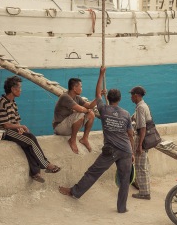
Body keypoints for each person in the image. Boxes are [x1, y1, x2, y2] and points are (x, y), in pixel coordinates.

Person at [58, 67, 134, 213]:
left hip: (111, 150)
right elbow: (130, 135)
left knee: (93, 172)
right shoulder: (126, 114)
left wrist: (101, 74)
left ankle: (75, 192)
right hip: (125, 150)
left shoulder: (104, 109)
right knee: (125, 181)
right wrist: (132, 153)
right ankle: (122, 208)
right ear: (119, 99)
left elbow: (97, 94)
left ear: (109, 98)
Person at [0, 76, 61, 183]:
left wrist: (19, 128)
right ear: (13, 89)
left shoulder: (13, 103)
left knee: (27, 144)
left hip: (12, 131)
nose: (21, 90)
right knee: (30, 139)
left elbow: (16, 122)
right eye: (19, 88)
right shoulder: (2, 102)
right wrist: (21, 126)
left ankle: (35, 173)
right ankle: (46, 164)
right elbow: (5, 125)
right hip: (4, 133)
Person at [52, 78, 96, 154]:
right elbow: (81, 109)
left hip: (69, 126)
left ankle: (85, 138)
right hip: (60, 127)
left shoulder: (77, 98)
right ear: (74, 88)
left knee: (91, 114)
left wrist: (98, 97)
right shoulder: (65, 97)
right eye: (80, 86)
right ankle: (72, 140)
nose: (82, 89)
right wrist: (87, 110)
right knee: (80, 114)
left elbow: (89, 105)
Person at [130, 86, 151, 200]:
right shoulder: (143, 105)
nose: (131, 97)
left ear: (136, 95)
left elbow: (142, 127)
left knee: (140, 166)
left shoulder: (140, 108)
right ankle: (145, 189)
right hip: (144, 138)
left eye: (132, 95)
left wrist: (139, 145)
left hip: (141, 138)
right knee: (144, 166)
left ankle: (144, 193)